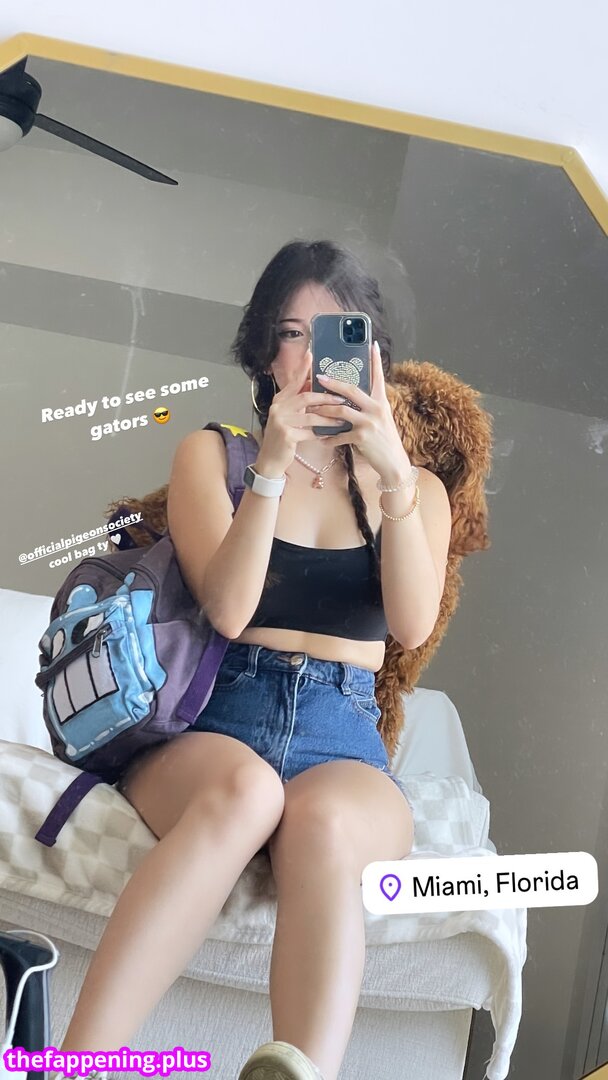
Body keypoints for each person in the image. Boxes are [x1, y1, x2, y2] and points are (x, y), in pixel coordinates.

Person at [58, 239, 452, 1080]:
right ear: (264, 352)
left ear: (372, 353)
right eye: (290, 333)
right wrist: (270, 468)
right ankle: (77, 1066)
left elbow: (412, 625)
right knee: (248, 794)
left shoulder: (416, 488)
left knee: (325, 822)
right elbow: (230, 609)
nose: (310, 357)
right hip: (218, 715)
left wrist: (390, 476)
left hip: (343, 733)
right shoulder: (215, 455)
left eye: (335, 333)